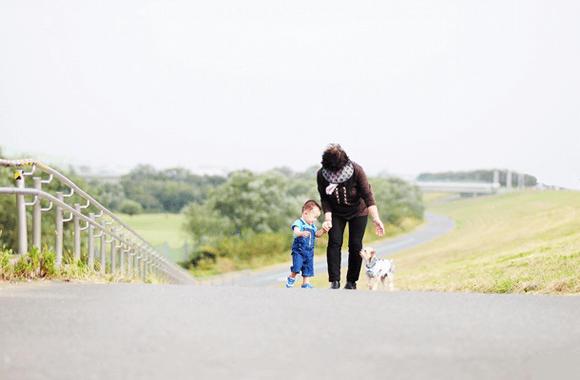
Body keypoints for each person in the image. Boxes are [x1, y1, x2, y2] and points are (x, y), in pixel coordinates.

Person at [317, 143, 385, 290]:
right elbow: (324, 198)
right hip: (336, 212)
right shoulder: (321, 175)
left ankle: (351, 282)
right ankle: (334, 281)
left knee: (355, 245)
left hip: (358, 211)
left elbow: (368, 196)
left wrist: (376, 218)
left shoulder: (356, 170)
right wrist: (327, 219)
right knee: (334, 243)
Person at [286, 200, 329, 289]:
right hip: (299, 250)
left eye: (316, 218)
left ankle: (305, 284)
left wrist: (323, 231)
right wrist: (302, 233)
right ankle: (291, 278)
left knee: (308, 267)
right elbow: (296, 232)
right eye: (314, 217)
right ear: (305, 213)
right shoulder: (299, 223)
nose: (315, 220)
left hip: (309, 251)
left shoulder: (312, 226)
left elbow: (317, 234)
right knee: (297, 267)